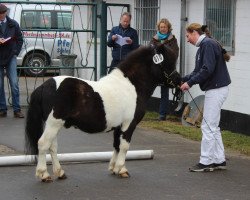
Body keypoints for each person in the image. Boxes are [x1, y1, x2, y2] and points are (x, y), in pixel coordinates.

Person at [180, 23, 231, 172]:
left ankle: (206, 162)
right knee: (212, 127)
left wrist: (189, 83)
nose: (187, 40)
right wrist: (183, 79)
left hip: (216, 90)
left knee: (207, 126)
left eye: (188, 36)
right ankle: (219, 159)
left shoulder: (207, 45)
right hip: (217, 88)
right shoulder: (205, 46)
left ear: (194, 32)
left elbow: (207, 70)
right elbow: (198, 70)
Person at [149, 18, 179, 121]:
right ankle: (141, 110)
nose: (163, 29)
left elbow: (175, 54)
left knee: (164, 92)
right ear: (158, 28)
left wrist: (164, 50)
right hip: (155, 70)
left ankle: (162, 115)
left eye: (165, 27)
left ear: (168, 28)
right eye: (161, 27)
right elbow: (150, 52)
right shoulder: (154, 39)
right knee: (148, 90)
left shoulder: (172, 40)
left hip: (166, 71)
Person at [0, 4, 24, 118]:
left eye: (2, 13)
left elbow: (19, 39)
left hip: (10, 57)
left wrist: (15, 52)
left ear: (6, 13)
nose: (1, 15)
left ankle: (17, 109)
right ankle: (2, 109)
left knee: (14, 83)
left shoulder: (13, 24)